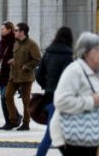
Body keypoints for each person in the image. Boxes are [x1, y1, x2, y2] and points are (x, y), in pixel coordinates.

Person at [50, 32, 99, 156]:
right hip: (70, 133)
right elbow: (60, 101)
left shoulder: (97, 71)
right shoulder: (74, 71)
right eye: (98, 49)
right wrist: (91, 101)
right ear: (86, 52)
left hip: (90, 132)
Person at [36, 27, 75, 156]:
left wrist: (46, 86)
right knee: (51, 133)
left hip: (49, 97)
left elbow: (38, 75)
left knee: (60, 132)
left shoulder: (48, 53)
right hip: (62, 98)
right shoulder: (69, 56)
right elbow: (68, 79)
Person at [6, 22, 42, 131]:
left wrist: (27, 66)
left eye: (16, 30)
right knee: (7, 96)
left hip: (25, 77)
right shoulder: (16, 43)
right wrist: (13, 61)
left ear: (22, 32)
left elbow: (37, 59)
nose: (14, 32)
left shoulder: (32, 44)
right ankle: (14, 119)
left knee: (26, 101)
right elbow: (18, 57)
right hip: (14, 75)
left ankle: (26, 123)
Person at [0, 21, 17, 130]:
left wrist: (14, 60)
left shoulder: (15, 41)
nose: (1, 31)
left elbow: (18, 56)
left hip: (11, 73)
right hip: (2, 73)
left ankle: (12, 120)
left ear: (9, 29)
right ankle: (10, 119)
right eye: (1, 29)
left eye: (3, 29)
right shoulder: (1, 42)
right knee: (3, 98)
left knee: (5, 97)